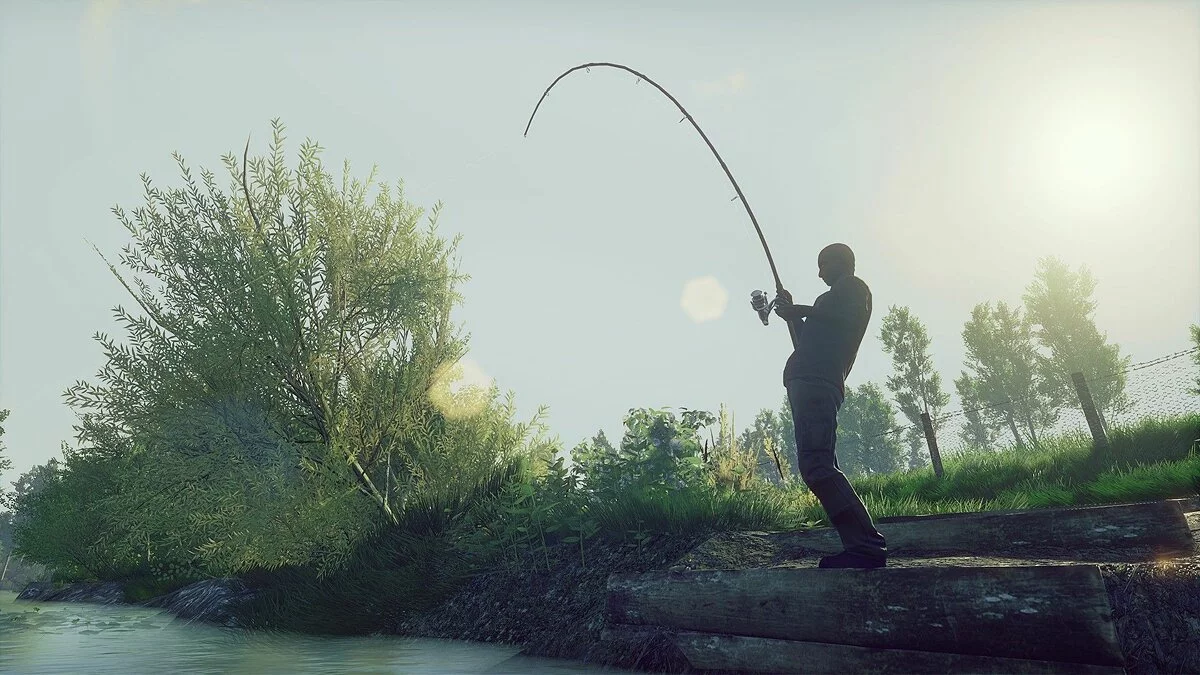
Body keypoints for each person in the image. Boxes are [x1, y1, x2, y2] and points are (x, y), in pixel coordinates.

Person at [764, 242, 887, 569]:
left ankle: (867, 546)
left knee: (817, 466)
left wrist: (801, 310)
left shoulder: (855, 289)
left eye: (824, 264)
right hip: (808, 380)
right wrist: (793, 313)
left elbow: (845, 319)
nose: (819, 273)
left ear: (843, 262)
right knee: (817, 465)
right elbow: (807, 339)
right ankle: (862, 545)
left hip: (817, 382)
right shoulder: (828, 301)